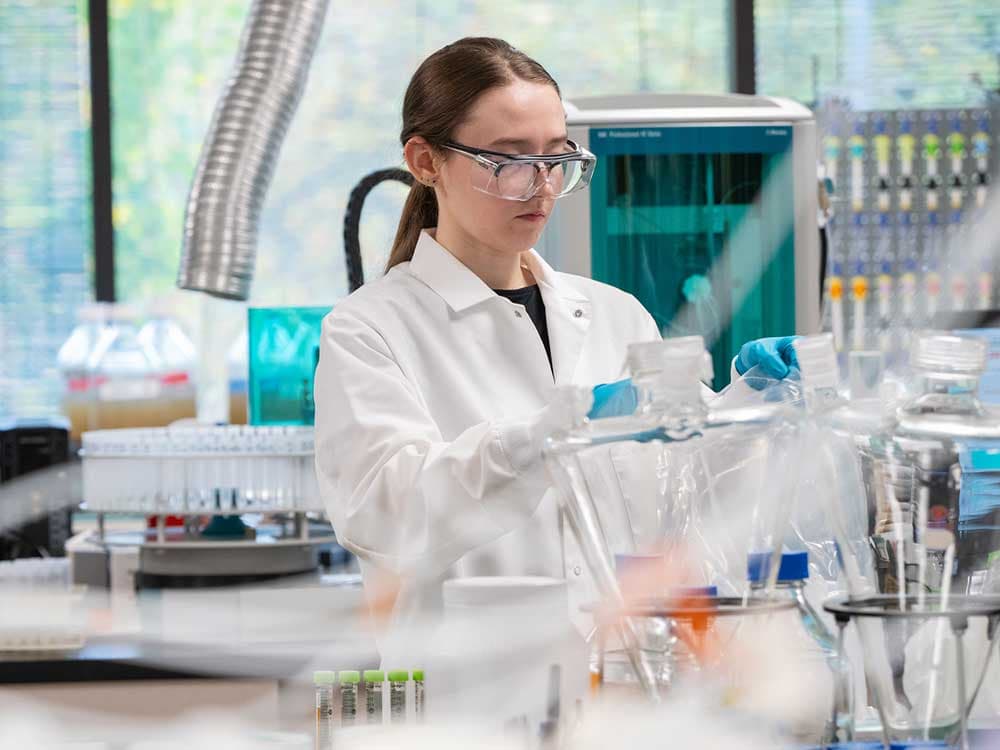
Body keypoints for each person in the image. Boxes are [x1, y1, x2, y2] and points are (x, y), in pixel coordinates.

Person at [314, 37, 798, 656]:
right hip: (469, 697)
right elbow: (388, 515)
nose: (542, 186)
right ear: (425, 161)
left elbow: (692, 490)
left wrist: (749, 407)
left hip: (624, 683)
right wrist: (546, 438)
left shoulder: (614, 314)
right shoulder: (369, 330)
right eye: (509, 160)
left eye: (556, 157)